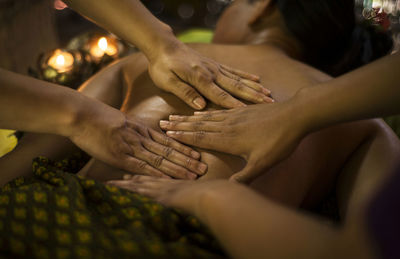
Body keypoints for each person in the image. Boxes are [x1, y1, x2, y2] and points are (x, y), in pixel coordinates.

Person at [0, 0, 269, 180]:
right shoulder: (309, 90)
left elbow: (34, 151)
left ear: (264, 8)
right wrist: (78, 116)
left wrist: (161, 44)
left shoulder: (138, 62)